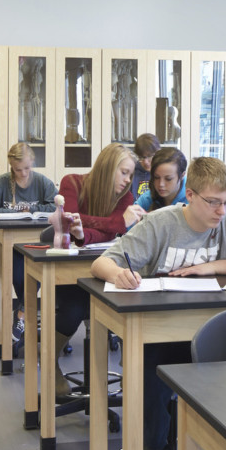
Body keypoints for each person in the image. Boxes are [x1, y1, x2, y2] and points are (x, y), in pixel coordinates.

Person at [90, 157, 226, 450]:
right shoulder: (161, 223)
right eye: (213, 202)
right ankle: (156, 449)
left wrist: (212, 267)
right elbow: (101, 264)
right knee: (155, 365)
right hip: (157, 329)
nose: (221, 211)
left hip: (206, 329)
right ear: (192, 195)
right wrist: (119, 275)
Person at [47, 143, 145, 388]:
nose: (128, 180)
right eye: (124, 172)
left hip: (107, 266)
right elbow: (68, 221)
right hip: (69, 269)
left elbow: (103, 234)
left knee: (130, 298)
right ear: (108, 166)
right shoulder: (72, 183)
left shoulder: (127, 196)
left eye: (131, 175)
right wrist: (116, 223)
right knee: (74, 308)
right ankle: (50, 361)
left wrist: (86, 234)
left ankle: (131, 370)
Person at [0, 142, 59, 349]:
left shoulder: (42, 182)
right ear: (11, 167)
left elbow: (56, 206)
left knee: (35, 270)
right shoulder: (2, 183)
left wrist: (33, 210)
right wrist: (19, 213)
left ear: (32, 163)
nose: (22, 173)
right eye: (17, 169)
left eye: (26, 168)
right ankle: (22, 314)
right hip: (12, 248)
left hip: (38, 246)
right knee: (19, 275)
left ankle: (21, 315)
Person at [133, 147, 188, 212]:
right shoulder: (148, 198)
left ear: (182, 175)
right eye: (156, 177)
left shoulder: (193, 199)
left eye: (168, 179)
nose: (161, 184)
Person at [129, 133, 161, 200]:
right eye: (142, 157)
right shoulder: (132, 173)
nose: (145, 162)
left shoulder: (164, 172)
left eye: (150, 156)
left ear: (158, 153)